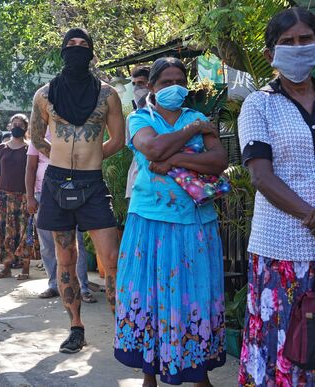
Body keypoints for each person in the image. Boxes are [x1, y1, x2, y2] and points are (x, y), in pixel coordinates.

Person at [114, 57, 228, 386]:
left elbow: (219, 161)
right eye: (166, 82)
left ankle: (199, 374)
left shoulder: (198, 115)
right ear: (151, 86)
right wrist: (191, 133)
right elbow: (151, 148)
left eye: (180, 81)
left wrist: (174, 158)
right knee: (150, 296)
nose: (174, 87)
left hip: (196, 223)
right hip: (150, 224)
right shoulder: (140, 118)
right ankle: (149, 374)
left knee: (195, 296)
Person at [30, 28, 125, 354]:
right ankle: (76, 327)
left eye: (83, 45)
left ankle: (122, 331)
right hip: (56, 183)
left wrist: (93, 156)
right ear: (62, 51)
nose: (77, 49)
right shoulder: (44, 95)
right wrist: (58, 158)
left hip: (92, 184)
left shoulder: (107, 95)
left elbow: (118, 140)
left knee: (111, 258)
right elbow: (36, 137)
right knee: (65, 259)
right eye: (71, 45)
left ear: (91, 52)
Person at [237, 8, 315, 386]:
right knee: (286, 344)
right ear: (270, 55)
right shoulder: (259, 104)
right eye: (288, 42)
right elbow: (260, 175)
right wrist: (312, 216)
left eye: (306, 40)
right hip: (282, 248)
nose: (298, 48)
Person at [26, 130, 96, 303]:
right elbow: (31, 167)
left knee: (75, 242)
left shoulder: (75, 130)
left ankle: (82, 287)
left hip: (72, 192)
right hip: (43, 194)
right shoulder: (39, 134)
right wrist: (29, 197)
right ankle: (54, 285)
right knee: (47, 244)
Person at [0, 114, 32, 280]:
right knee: (3, 231)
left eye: (20, 125)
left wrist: (30, 196)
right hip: (3, 197)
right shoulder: (2, 148)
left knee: (24, 231)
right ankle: (6, 267)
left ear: (25, 128)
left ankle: (25, 268)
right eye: (14, 124)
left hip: (23, 196)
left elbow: (33, 172)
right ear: (9, 126)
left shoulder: (30, 148)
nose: (16, 127)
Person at [125, 65, 150, 200]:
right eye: (134, 84)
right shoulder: (132, 117)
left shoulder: (165, 115)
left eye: (141, 83)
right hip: (137, 180)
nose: (136, 88)